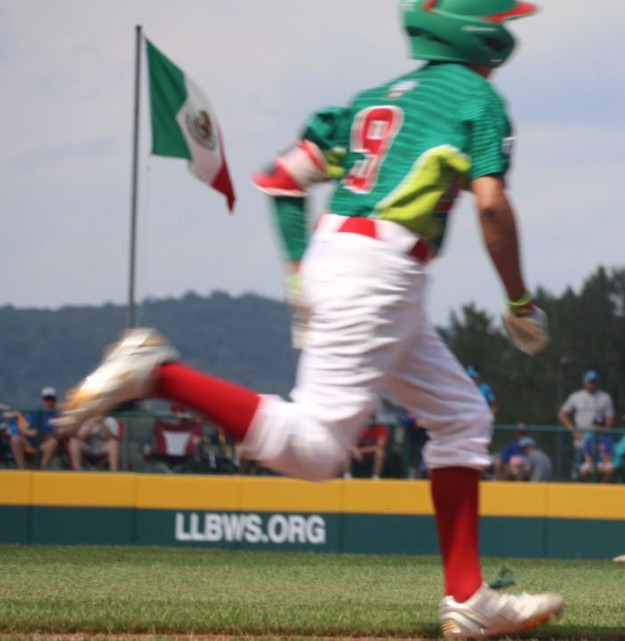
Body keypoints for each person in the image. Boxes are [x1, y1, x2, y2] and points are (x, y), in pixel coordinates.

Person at [53, 2, 563, 637]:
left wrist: (300, 276)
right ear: (481, 34)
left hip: (353, 260)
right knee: (316, 450)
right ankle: (160, 375)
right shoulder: (475, 99)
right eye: (501, 22)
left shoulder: (374, 99)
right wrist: (518, 300)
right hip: (382, 269)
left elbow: (280, 179)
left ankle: (468, 597)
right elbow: (490, 205)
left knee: (462, 415)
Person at [557, 370, 614, 458]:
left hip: (599, 442)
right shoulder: (576, 396)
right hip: (581, 441)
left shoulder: (605, 398)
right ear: (584, 383)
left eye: (594, 382)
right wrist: (574, 431)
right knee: (580, 463)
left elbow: (609, 418)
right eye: (589, 382)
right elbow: (562, 414)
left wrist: (604, 435)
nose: (592, 384)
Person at [27, 387, 64, 469]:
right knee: (15, 439)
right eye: (46, 399)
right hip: (33, 441)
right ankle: (21, 469)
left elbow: (61, 431)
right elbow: (26, 427)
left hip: (49, 442)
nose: (49, 401)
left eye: (51, 399)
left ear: (55, 400)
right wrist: (32, 433)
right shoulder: (34, 413)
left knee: (53, 443)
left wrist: (53, 434)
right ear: (42, 400)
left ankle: (42, 469)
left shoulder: (59, 415)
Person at [2, 403, 35, 469]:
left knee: (15, 439)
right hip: (6, 443)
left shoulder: (26, 416)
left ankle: (22, 468)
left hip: (26, 442)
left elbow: (26, 428)